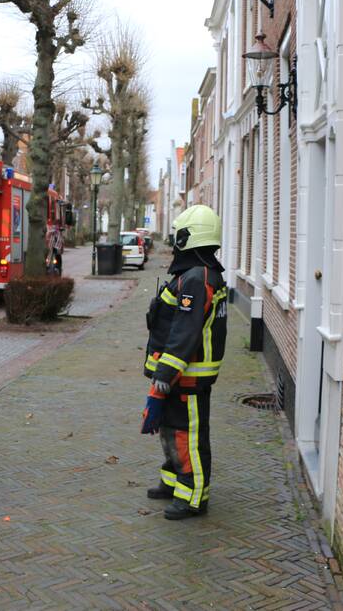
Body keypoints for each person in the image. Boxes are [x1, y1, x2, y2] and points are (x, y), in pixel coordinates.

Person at [140, 204, 227, 520]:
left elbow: (185, 330)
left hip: (186, 376)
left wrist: (166, 371)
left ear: (190, 237)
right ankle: (173, 481)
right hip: (180, 374)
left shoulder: (196, 277)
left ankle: (193, 497)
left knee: (187, 436)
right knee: (170, 430)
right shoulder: (195, 273)